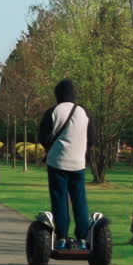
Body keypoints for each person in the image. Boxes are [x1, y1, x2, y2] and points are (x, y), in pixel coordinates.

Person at [38, 79, 95, 250]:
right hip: (78, 163)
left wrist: (53, 148)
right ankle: (83, 239)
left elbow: (42, 137)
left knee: (59, 199)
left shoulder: (53, 111)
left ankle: (62, 237)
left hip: (57, 163)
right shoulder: (84, 112)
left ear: (58, 94)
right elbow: (92, 139)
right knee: (80, 200)